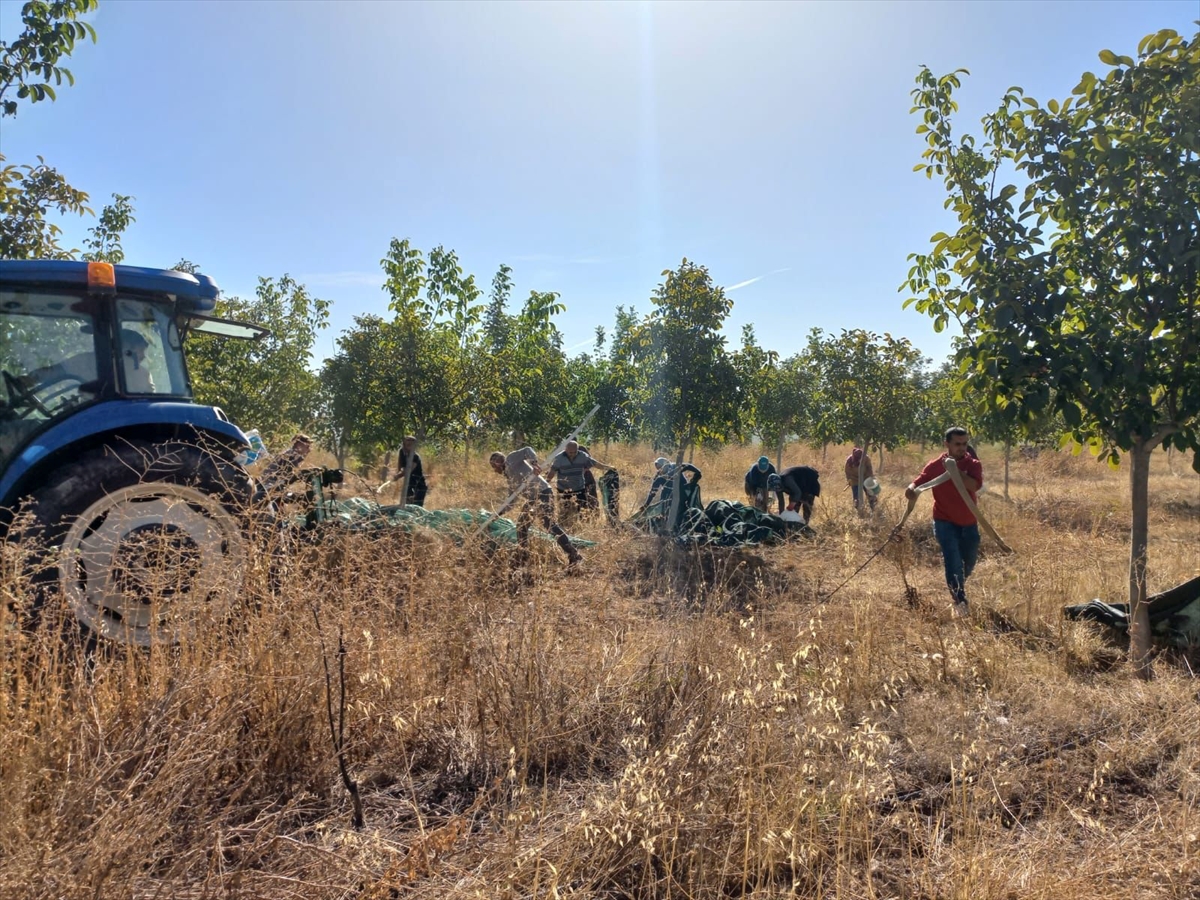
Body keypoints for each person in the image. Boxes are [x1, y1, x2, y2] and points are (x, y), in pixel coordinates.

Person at [905, 426, 984, 614]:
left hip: (969, 523)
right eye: (957, 444)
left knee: (969, 561)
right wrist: (911, 488)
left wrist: (955, 470)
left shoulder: (973, 464)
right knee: (953, 560)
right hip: (944, 523)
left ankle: (957, 585)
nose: (962, 448)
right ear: (946, 444)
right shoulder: (934, 465)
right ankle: (960, 601)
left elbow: (974, 485)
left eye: (964, 444)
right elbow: (919, 481)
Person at [489, 447, 582, 570]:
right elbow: (512, 501)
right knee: (522, 526)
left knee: (549, 524)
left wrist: (535, 464)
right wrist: (498, 514)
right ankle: (523, 556)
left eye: (493, 466)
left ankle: (574, 554)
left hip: (543, 493)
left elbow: (527, 450)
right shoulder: (510, 478)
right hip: (532, 499)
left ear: (497, 462)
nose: (494, 470)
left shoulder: (511, 459)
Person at [547, 440, 614, 513]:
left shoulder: (583, 456)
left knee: (582, 511)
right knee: (565, 512)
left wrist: (608, 468)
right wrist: (547, 483)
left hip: (579, 488)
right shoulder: (559, 458)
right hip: (563, 489)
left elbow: (595, 464)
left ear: (577, 450)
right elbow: (552, 471)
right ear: (566, 450)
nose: (572, 454)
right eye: (570, 452)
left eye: (574, 452)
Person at [120, 328, 156, 393]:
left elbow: (152, 397)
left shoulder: (144, 374)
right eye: (140, 350)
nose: (144, 356)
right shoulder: (108, 374)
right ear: (126, 351)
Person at [396, 435, 427, 507]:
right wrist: (397, 475)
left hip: (419, 485)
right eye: (408, 441)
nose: (409, 443)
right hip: (409, 484)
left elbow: (408, 470)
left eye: (412, 442)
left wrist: (398, 476)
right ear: (404, 443)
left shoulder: (415, 457)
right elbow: (400, 467)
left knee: (416, 507)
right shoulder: (402, 452)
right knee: (406, 505)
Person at [844, 447, 876, 511]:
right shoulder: (849, 460)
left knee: (871, 495)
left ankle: (873, 509)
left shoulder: (866, 458)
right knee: (856, 497)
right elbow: (847, 471)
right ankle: (859, 510)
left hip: (866, 478)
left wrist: (870, 478)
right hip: (854, 480)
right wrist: (849, 479)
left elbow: (869, 469)